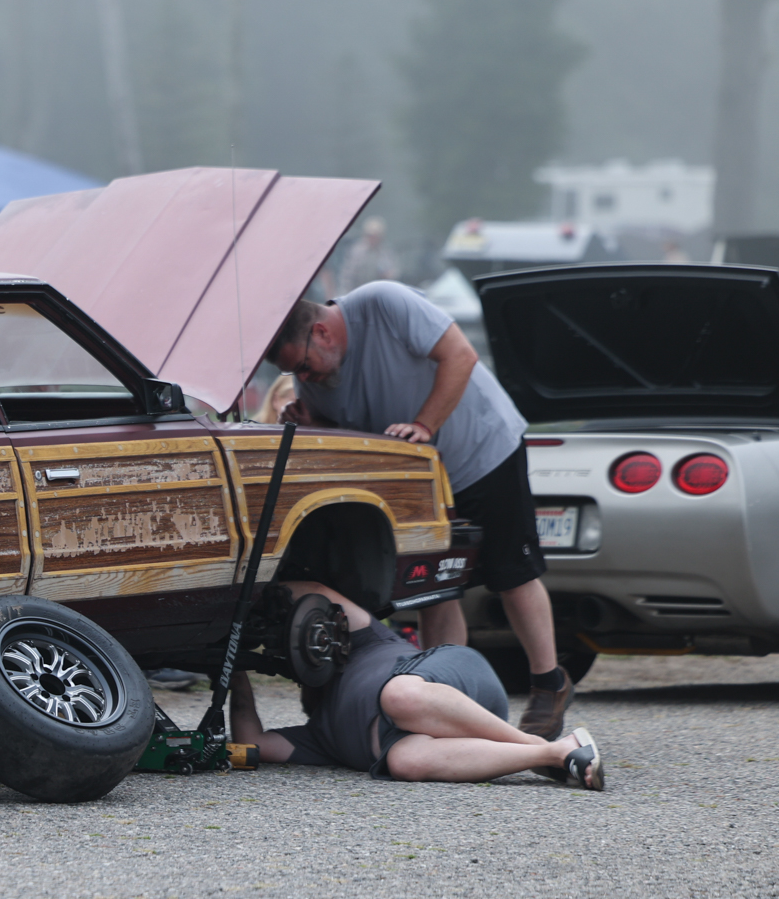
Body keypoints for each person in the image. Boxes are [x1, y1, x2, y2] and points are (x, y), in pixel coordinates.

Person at [265, 280, 577, 742]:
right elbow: (346, 431)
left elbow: (460, 356)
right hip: (419, 482)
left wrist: (424, 424)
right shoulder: (313, 385)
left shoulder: (385, 302)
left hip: (480, 452)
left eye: (303, 367)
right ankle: (446, 694)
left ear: (322, 333)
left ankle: (549, 683)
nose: (303, 380)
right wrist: (314, 423)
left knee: (512, 573)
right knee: (435, 586)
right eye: (296, 373)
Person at [230, 582, 603, 789]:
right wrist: (234, 668)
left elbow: (313, 590)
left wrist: (248, 602)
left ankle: (532, 743)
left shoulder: (360, 641)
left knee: (400, 697)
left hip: (453, 682)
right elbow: (252, 743)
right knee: (402, 762)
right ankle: (556, 754)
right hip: (447, 735)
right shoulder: (317, 735)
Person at [336, 217, 398, 294]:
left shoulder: (386, 252)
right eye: (370, 235)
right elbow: (347, 276)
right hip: (357, 292)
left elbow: (393, 273)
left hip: (378, 293)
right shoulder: (356, 252)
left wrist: (388, 275)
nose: (373, 239)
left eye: (376, 236)